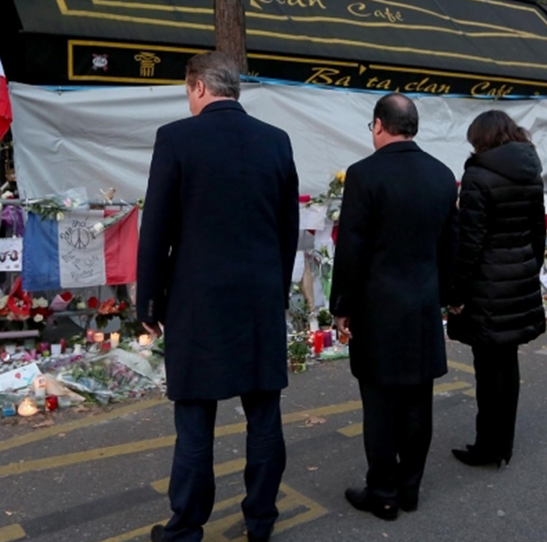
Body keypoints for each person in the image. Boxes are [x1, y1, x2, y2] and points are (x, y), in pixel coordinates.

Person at [137, 51, 300, 542]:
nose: (188, 100)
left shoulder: (177, 138)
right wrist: (277, 287)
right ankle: (261, 521)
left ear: (200, 87)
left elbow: (156, 229)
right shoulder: (276, 141)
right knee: (264, 416)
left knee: (194, 419)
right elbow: (287, 228)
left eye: (188, 91)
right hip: (258, 298)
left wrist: (148, 303)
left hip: (196, 300)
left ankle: (187, 526)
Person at [329, 93, 458, 521]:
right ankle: (410, 487)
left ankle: (382, 491)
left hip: (376, 307)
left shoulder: (365, 175)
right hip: (422, 306)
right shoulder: (442, 175)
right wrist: (450, 297)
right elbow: (449, 246)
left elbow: (351, 247)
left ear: (379, 125)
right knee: (419, 401)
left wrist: (342, 304)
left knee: (380, 403)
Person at [447, 110, 546, 468]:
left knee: (488, 368)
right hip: (518, 278)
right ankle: (504, 443)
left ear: (481, 139)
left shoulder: (477, 176)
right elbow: (539, 231)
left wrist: (455, 292)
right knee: (508, 363)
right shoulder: (530, 171)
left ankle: (488, 447)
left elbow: (470, 242)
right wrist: (529, 270)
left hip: (486, 284)